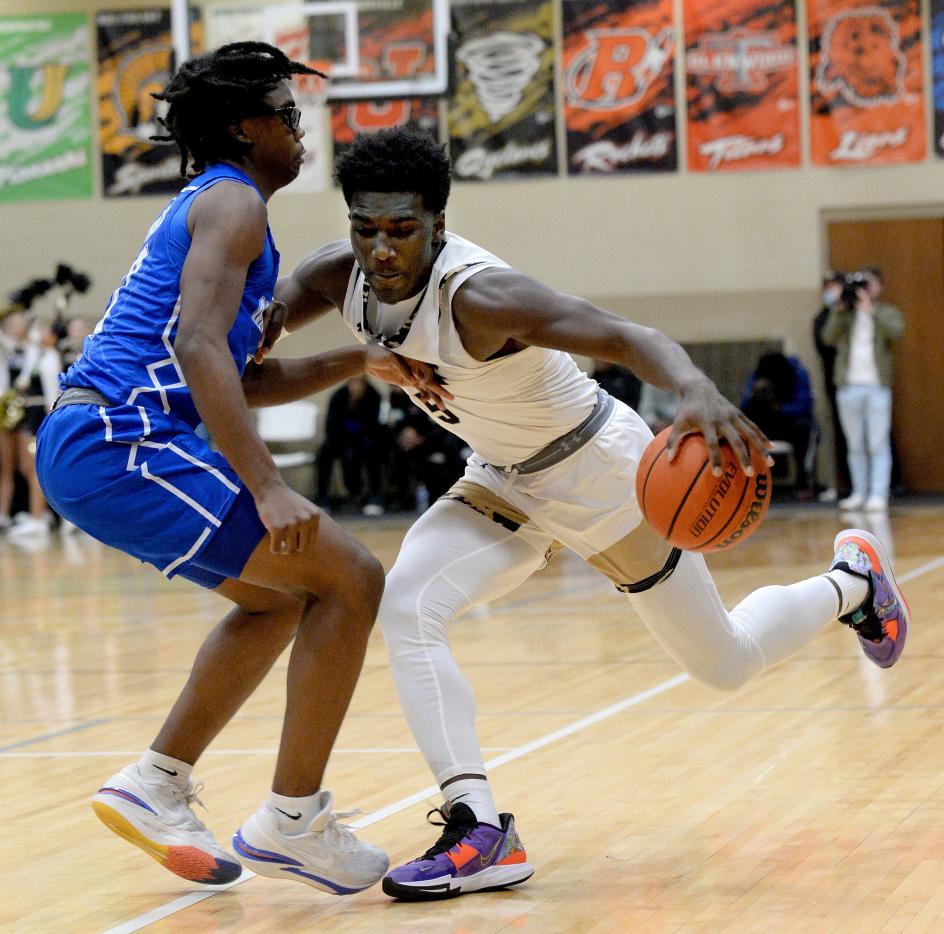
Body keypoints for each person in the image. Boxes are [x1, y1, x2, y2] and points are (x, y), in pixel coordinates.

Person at [276, 128, 910, 901]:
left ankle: (851, 584)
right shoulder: (333, 277)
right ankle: (480, 828)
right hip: (502, 481)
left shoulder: (481, 296)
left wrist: (694, 388)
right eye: (365, 228)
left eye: (402, 229)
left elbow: (622, 334)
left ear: (437, 224)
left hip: (602, 472)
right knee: (408, 601)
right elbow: (239, 354)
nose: (381, 248)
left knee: (725, 663)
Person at [35, 45, 446, 896]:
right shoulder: (233, 201)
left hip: (103, 444)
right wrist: (266, 484)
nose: (300, 133)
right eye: (286, 117)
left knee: (278, 600)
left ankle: (157, 782)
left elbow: (240, 376)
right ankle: (294, 820)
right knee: (352, 579)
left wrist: (358, 361)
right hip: (121, 440)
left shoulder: (226, 208)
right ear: (240, 128)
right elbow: (192, 348)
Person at [819, 269, 905, 512]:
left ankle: (878, 493)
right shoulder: (845, 314)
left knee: (877, 442)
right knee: (855, 443)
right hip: (849, 386)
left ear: (878, 286)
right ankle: (859, 491)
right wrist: (840, 307)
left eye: (868, 284)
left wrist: (871, 310)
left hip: (877, 386)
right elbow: (828, 336)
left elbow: (896, 331)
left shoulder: (886, 312)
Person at [0, 311, 51, 536]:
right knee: (5, 466)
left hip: (29, 414)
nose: (15, 327)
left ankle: (38, 516)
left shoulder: (36, 351)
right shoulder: (1, 350)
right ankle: (2, 514)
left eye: (19, 323)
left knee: (28, 466)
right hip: (7, 410)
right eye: (11, 324)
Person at [741, 351, 815, 498]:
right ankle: (746, 483)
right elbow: (743, 406)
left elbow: (805, 406)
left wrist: (779, 407)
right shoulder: (758, 374)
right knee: (744, 428)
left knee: (804, 428)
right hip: (765, 422)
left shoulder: (798, 373)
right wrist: (754, 395)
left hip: (790, 422)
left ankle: (803, 482)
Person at [316, 375, 386, 515]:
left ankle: (375, 497)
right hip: (341, 439)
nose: (357, 386)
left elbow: (373, 425)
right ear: (348, 382)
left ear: (366, 383)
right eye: (354, 382)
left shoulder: (374, 396)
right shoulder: (337, 396)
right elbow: (331, 425)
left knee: (374, 450)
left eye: (361, 383)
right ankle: (322, 497)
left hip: (364, 439)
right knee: (324, 452)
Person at [813, 272, 849, 499]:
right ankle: (850, 485)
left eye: (835, 286)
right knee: (845, 438)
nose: (832, 290)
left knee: (876, 439)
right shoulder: (822, 318)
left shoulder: (856, 314)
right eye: (828, 287)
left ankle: (888, 485)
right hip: (838, 384)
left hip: (866, 383)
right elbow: (826, 343)